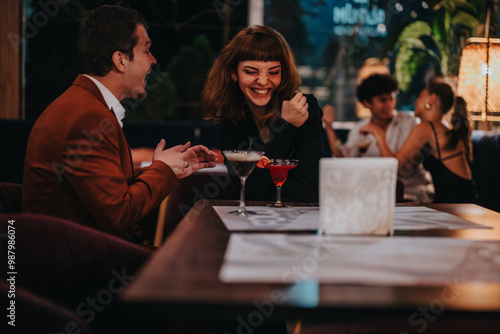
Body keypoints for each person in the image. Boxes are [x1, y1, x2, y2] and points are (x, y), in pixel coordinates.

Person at [22, 5, 218, 242]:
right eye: (147, 51)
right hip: (79, 264)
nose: (153, 60)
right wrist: (162, 170)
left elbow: (103, 186)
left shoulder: (83, 104)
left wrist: (168, 167)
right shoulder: (88, 117)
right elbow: (121, 214)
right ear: (121, 60)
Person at [202, 25, 324, 202]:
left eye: (273, 72)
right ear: (233, 73)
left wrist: (262, 191)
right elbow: (250, 188)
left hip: (305, 219)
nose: (263, 81)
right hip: (253, 220)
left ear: (283, 73)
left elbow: (307, 191)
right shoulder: (228, 117)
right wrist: (285, 126)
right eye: (251, 72)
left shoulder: (304, 107)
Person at [323, 74, 433, 203]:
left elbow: (397, 169)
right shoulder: (360, 128)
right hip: (374, 196)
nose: (390, 104)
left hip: (410, 196)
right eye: (383, 100)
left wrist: (377, 133)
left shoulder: (410, 123)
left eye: (392, 98)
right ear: (367, 103)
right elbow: (341, 154)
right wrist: (329, 127)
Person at [361, 81, 476, 203]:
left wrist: (378, 134)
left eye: (420, 96)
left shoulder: (426, 128)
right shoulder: (441, 127)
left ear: (432, 98)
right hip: (464, 197)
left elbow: (393, 165)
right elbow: (404, 169)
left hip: (454, 203)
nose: (415, 102)